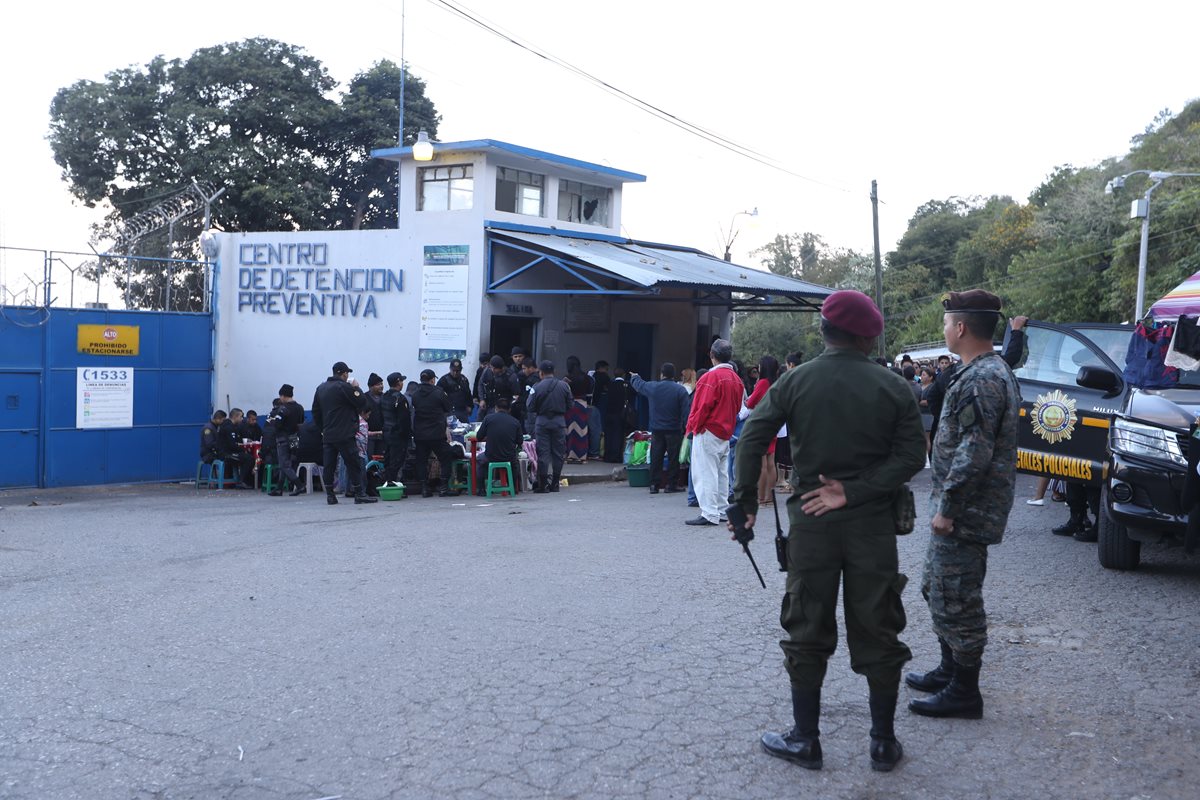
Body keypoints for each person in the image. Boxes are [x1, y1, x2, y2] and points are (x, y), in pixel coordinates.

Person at [730, 289, 925, 772]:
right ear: (869, 335)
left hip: (811, 525)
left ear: (825, 332)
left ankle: (806, 740)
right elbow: (912, 457)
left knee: (805, 626)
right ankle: (882, 743)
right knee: (878, 626)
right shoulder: (894, 386)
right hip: (873, 526)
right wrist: (856, 490)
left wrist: (744, 506)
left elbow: (751, 438)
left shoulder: (796, 382)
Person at [907, 290, 1019, 722]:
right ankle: (949, 668)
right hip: (962, 506)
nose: (944, 330)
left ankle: (964, 692)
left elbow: (975, 451)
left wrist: (948, 508)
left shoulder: (982, 378)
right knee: (936, 588)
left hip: (967, 511)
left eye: (946, 323)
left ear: (961, 328)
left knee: (957, 597)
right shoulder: (982, 371)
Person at [684, 339, 744, 526]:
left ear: (712, 355)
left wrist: (692, 428)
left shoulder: (709, 378)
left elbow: (701, 408)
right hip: (725, 431)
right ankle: (720, 508)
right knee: (721, 473)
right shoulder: (736, 379)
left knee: (706, 473)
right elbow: (737, 408)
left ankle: (709, 513)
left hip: (708, 431)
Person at [312, 361, 377, 505]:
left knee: (329, 464)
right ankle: (359, 493)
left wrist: (323, 429)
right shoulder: (344, 387)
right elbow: (362, 402)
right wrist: (356, 387)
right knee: (353, 463)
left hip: (328, 434)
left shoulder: (320, 388)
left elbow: (316, 412)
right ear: (344, 374)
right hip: (345, 433)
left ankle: (330, 495)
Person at [631, 362, 690, 494]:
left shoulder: (654, 387)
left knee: (656, 456)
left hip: (657, 429)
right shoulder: (680, 390)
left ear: (662, 374)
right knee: (673, 458)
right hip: (674, 430)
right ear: (674, 375)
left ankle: (654, 485)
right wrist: (687, 428)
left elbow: (639, 386)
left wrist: (635, 377)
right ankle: (671, 485)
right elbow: (686, 412)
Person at [410, 369, 461, 498]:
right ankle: (443, 487)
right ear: (432, 380)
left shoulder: (415, 394)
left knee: (421, 461)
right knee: (446, 457)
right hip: (436, 434)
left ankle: (424, 488)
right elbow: (448, 408)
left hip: (420, 434)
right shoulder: (438, 392)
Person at [528, 359, 573, 492]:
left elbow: (530, 407)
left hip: (542, 422)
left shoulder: (536, 387)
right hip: (559, 422)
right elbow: (571, 405)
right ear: (554, 372)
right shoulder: (564, 386)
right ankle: (555, 483)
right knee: (558, 453)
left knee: (543, 453)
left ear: (541, 373)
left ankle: (543, 485)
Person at [744, 355, 782, 506]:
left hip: (761, 425)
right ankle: (770, 497)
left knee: (762, 464)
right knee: (771, 462)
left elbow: (751, 403)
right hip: (773, 424)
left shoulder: (762, 383)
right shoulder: (777, 382)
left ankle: (761, 498)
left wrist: (748, 399)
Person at [474, 396, 524, 495]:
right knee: (515, 463)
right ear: (509, 409)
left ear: (496, 408)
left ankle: (481, 490)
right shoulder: (515, 422)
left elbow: (479, 437)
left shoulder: (488, 419)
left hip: (490, 456)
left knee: (480, 460)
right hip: (509, 457)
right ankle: (513, 488)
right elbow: (520, 441)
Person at [266, 384, 305, 496]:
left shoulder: (283, 409)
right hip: (294, 437)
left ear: (283, 396)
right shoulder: (300, 408)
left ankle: (300, 485)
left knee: (284, 464)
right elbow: (301, 422)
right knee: (288, 463)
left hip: (283, 438)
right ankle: (279, 488)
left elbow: (277, 425)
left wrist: (272, 421)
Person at [381, 372, 412, 487]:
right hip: (398, 436)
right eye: (402, 381)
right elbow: (404, 420)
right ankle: (392, 484)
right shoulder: (400, 398)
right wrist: (407, 435)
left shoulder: (384, 396)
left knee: (388, 460)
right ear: (398, 382)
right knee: (397, 461)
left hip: (387, 433)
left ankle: (386, 481)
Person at [564, 355, 593, 463]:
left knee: (570, 431)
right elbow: (590, 390)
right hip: (582, 405)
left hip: (570, 406)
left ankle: (570, 454)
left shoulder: (567, 378)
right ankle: (581, 455)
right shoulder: (586, 377)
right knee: (582, 431)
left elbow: (564, 391)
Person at [602, 367, 634, 463]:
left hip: (608, 413)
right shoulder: (626, 385)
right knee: (618, 435)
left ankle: (607, 456)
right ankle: (616, 457)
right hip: (620, 414)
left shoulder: (609, 385)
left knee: (608, 435)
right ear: (623, 375)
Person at [219, 408, 255, 488]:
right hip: (226, 454)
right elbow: (232, 445)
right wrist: (243, 449)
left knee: (245, 456)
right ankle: (240, 481)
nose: (242, 419)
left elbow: (234, 442)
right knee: (249, 458)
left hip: (227, 451)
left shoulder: (231, 426)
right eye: (241, 417)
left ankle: (240, 480)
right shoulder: (229, 427)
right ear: (235, 417)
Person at [363, 373, 386, 459]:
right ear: (370, 386)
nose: (381, 386)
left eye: (381, 384)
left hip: (382, 434)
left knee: (381, 458)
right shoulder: (364, 398)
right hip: (369, 435)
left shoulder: (385, 397)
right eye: (378, 384)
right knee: (369, 457)